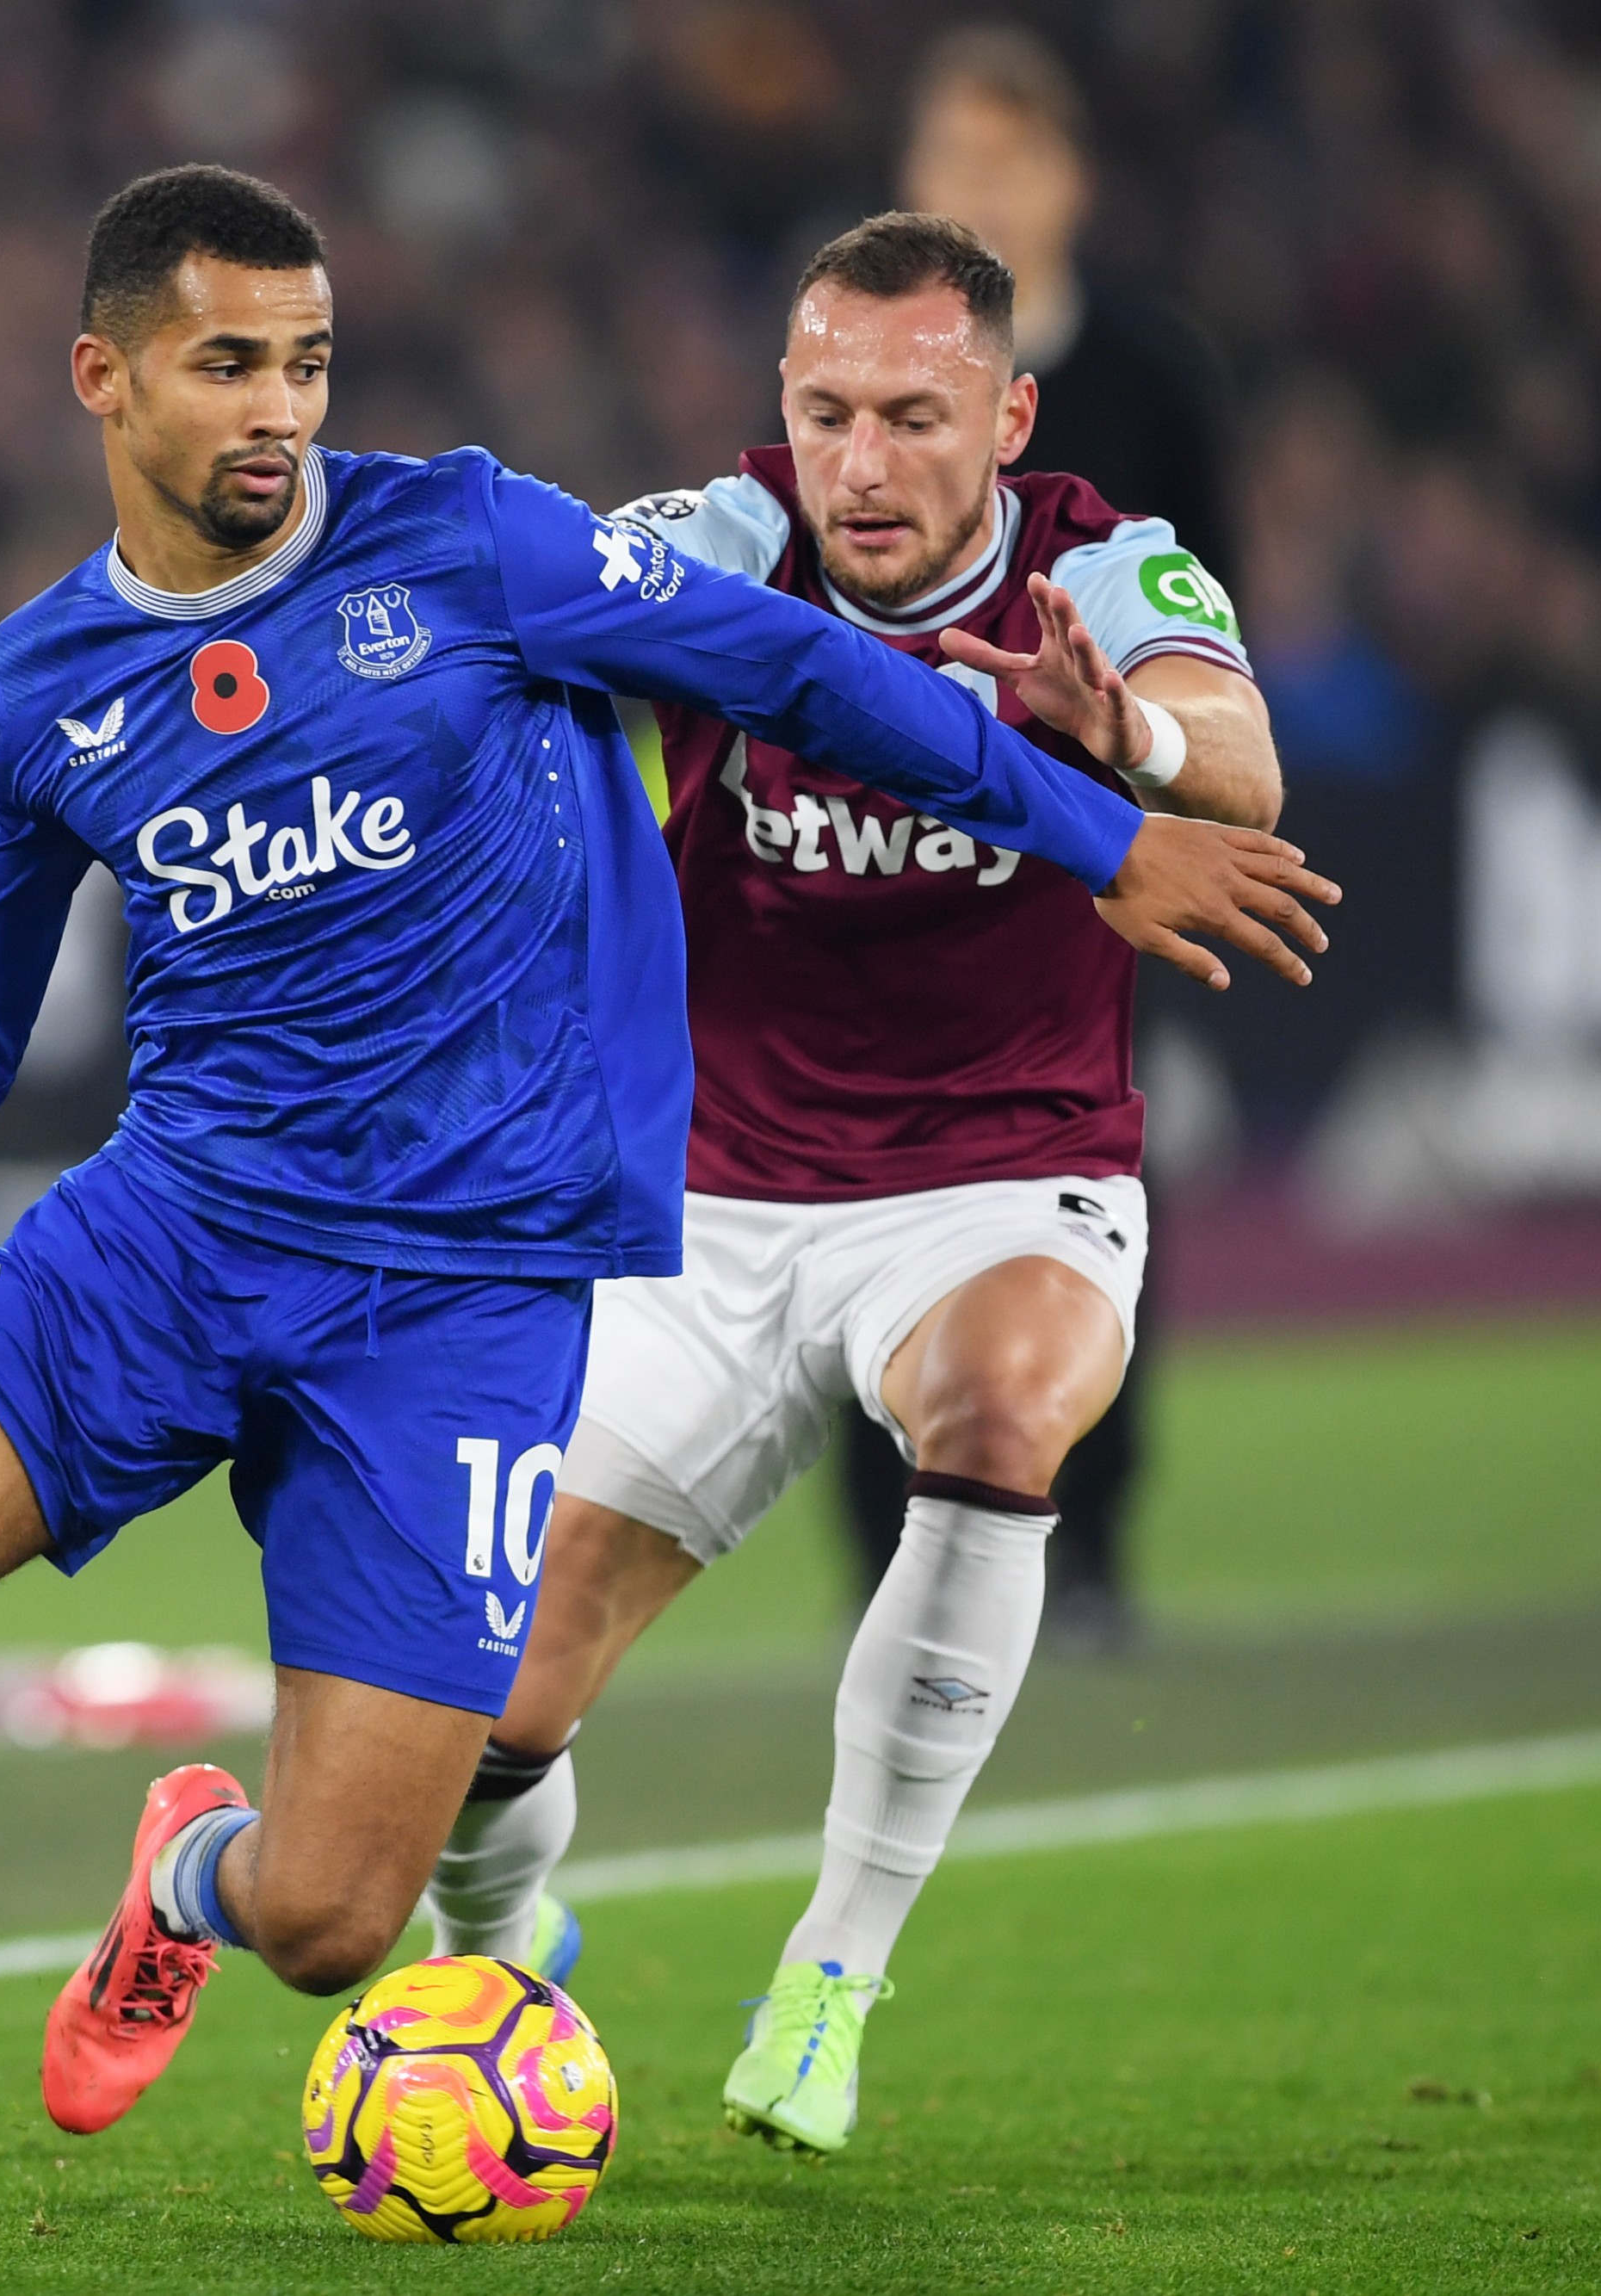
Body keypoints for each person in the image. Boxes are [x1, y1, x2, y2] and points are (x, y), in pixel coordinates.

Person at [0, 164, 1338, 2220]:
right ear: (103, 376)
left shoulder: (478, 540)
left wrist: (1094, 830)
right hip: (165, 1238)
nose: (277, 410)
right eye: (227, 364)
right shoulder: (36, 691)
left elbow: (804, 674)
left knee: (330, 1916)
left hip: (458, 1304)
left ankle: (190, 1869)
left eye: (305, 364)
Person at [422, 213, 1291, 2157]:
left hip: (1003, 1169)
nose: (863, 461)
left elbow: (1233, 759)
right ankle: (494, 1955)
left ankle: (829, 1967)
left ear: (1008, 412)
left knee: (996, 1410)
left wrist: (1124, 734)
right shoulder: (726, 543)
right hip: (710, 1203)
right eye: (823, 411)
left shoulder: (1103, 561)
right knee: (497, 1701)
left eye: (913, 413)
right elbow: (522, 611)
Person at [821, 24, 1246, 1651]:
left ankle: (1097, 1545)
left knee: (1094, 1170)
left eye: (1007, 159)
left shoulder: (1154, 372)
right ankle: (889, 1564)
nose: (978, 190)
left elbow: (1220, 611)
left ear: (1069, 181)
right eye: (949, 162)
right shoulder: (853, 362)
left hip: (1093, 838)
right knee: (859, 1178)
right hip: (883, 828)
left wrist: (1171, 779)